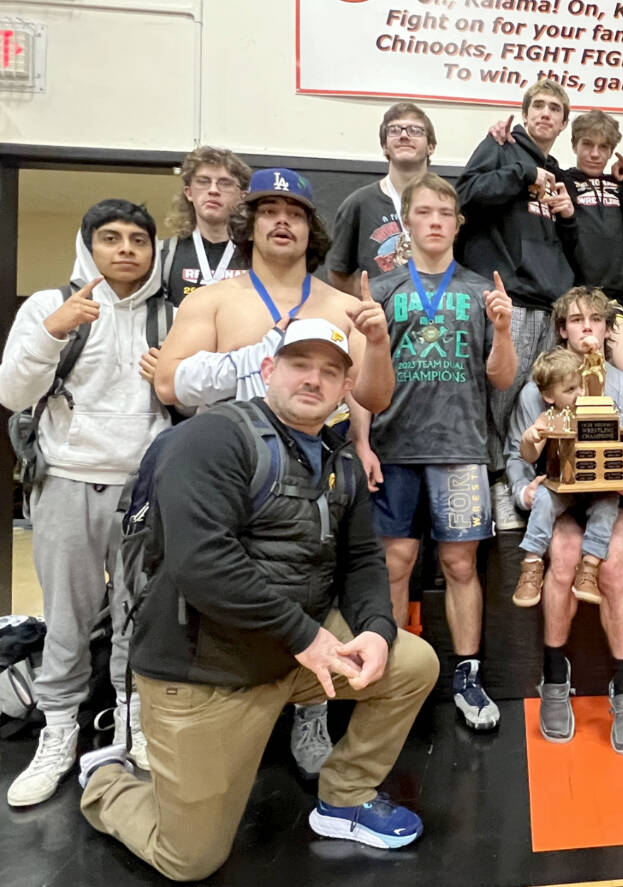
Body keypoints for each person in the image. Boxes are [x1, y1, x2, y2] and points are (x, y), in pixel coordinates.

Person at [77, 319, 439, 881]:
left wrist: (375, 632)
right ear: (268, 371)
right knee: (189, 860)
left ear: (347, 390)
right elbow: (203, 565)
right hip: (205, 674)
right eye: (300, 365)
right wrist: (310, 638)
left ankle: (343, 797)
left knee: (412, 663)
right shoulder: (210, 438)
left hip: (292, 661)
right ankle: (105, 781)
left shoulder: (341, 459)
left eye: (329, 372)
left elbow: (364, 559)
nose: (313, 381)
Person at [151, 167, 393, 779]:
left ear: (312, 229)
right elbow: (167, 382)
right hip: (232, 463)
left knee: (321, 577)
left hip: (320, 462)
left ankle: (310, 709)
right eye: (268, 211)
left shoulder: (342, 305)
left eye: (295, 212)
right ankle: (225, 708)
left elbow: (372, 396)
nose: (281, 220)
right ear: (250, 223)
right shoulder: (213, 299)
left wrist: (379, 347)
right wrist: (255, 359)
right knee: (227, 580)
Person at [0, 200, 173, 807]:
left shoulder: (169, 316)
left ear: (154, 252)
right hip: (66, 481)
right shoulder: (49, 306)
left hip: (143, 488)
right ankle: (58, 733)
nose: (125, 249)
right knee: (68, 619)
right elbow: (11, 391)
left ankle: (134, 727)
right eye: (110, 238)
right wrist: (54, 335)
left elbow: (191, 405)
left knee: (139, 615)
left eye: (137, 239)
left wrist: (172, 377)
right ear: (88, 245)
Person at [348, 172, 516, 732]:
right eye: (425, 212)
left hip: (461, 449)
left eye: (446, 212)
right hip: (393, 448)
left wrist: (505, 331)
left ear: (457, 223)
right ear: (409, 222)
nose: (436, 221)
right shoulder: (384, 288)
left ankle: (467, 677)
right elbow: (361, 379)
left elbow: (500, 379)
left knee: (459, 564)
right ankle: (396, 678)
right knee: (395, 565)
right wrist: (361, 443)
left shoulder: (477, 291)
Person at [506, 287, 623, 754]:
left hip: (609, 498)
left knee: (611, 565)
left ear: (610, 330)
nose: (586, 326)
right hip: (559, 496)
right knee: (565, 556)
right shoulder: (539, 388)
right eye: (575, 319)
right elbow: (516, 453)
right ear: (562, 330)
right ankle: (553, 677)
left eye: (595, 319)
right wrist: (523, 488)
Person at [456, 78, 579, 527]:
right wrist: (523, 174)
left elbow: (568, 246)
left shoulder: (558, 173)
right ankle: (499, 486)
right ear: (526, 113)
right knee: (500, 401)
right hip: (513, 298)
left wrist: (568, 217)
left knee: (538, 403)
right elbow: (464, 196)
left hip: (550, 303)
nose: (545, 113)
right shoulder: (501, 147)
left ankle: (529, 485)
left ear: (563, 122)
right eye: (538, 106)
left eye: (554, 109)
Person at [512, 346, 620, 607]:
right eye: (570, 390)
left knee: (608, 503)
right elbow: (529, 455)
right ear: (549, 395)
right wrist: (529, 439)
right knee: (543, 499)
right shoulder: (548, 419)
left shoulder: (596, 412)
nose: (580, 394)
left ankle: (590, 568)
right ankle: (531, 564)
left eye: (582, 386)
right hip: (560, 487)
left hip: (594, 487)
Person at [556, 109, 623, 378]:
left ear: (611, 151)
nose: (595, 154)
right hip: (574, 297)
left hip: (613, 298)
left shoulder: (622, 186)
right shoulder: (563, 181)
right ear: (574, 145)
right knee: (569, 376)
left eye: (603, 147)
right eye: (587, 145)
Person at [328, 102, 436, 292]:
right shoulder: (359, 204)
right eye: (394, 130)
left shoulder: (449, 203)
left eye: (415, 130)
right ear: (385, 146)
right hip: (380, 319)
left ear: (431, 147)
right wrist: (372, 300)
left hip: (442, 315)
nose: (404, 135)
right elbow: (338, 272)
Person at [159, 146, 253, 305]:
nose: (213, 190)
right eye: (203, 182)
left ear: (242, 197)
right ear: (189, 193)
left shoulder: (258, 255)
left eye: (225, 183)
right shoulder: (164, 254)